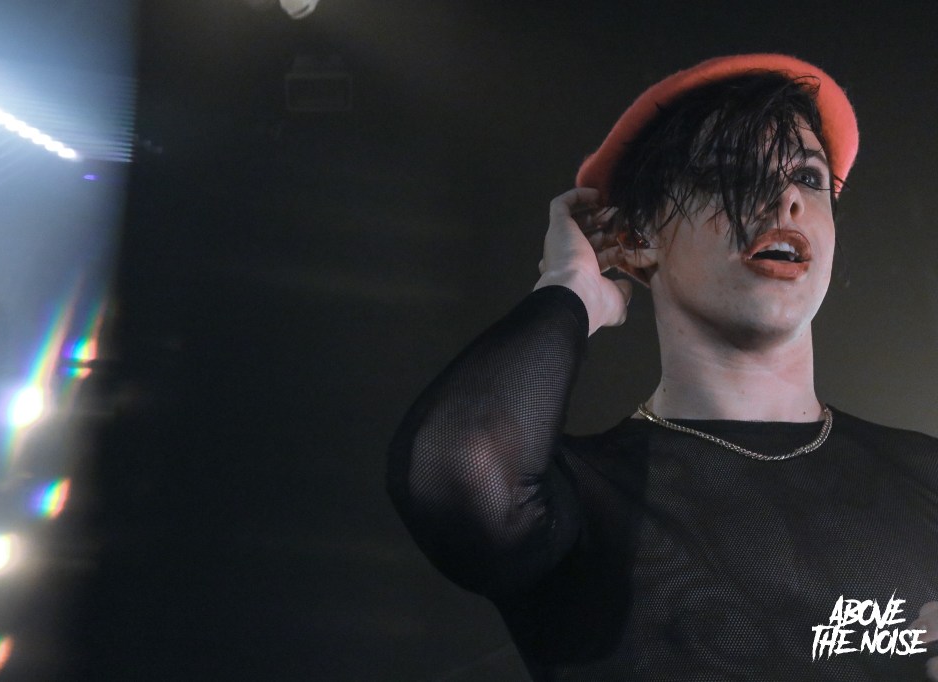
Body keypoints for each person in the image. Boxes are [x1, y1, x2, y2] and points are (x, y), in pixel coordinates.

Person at [386, 54, 938, 681]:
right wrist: (570, 288)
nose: (785, 199)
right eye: (731, 172)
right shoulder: (583, 497)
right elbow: (452, 470)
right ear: (635, 239)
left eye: (809, 177)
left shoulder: (926, 475)